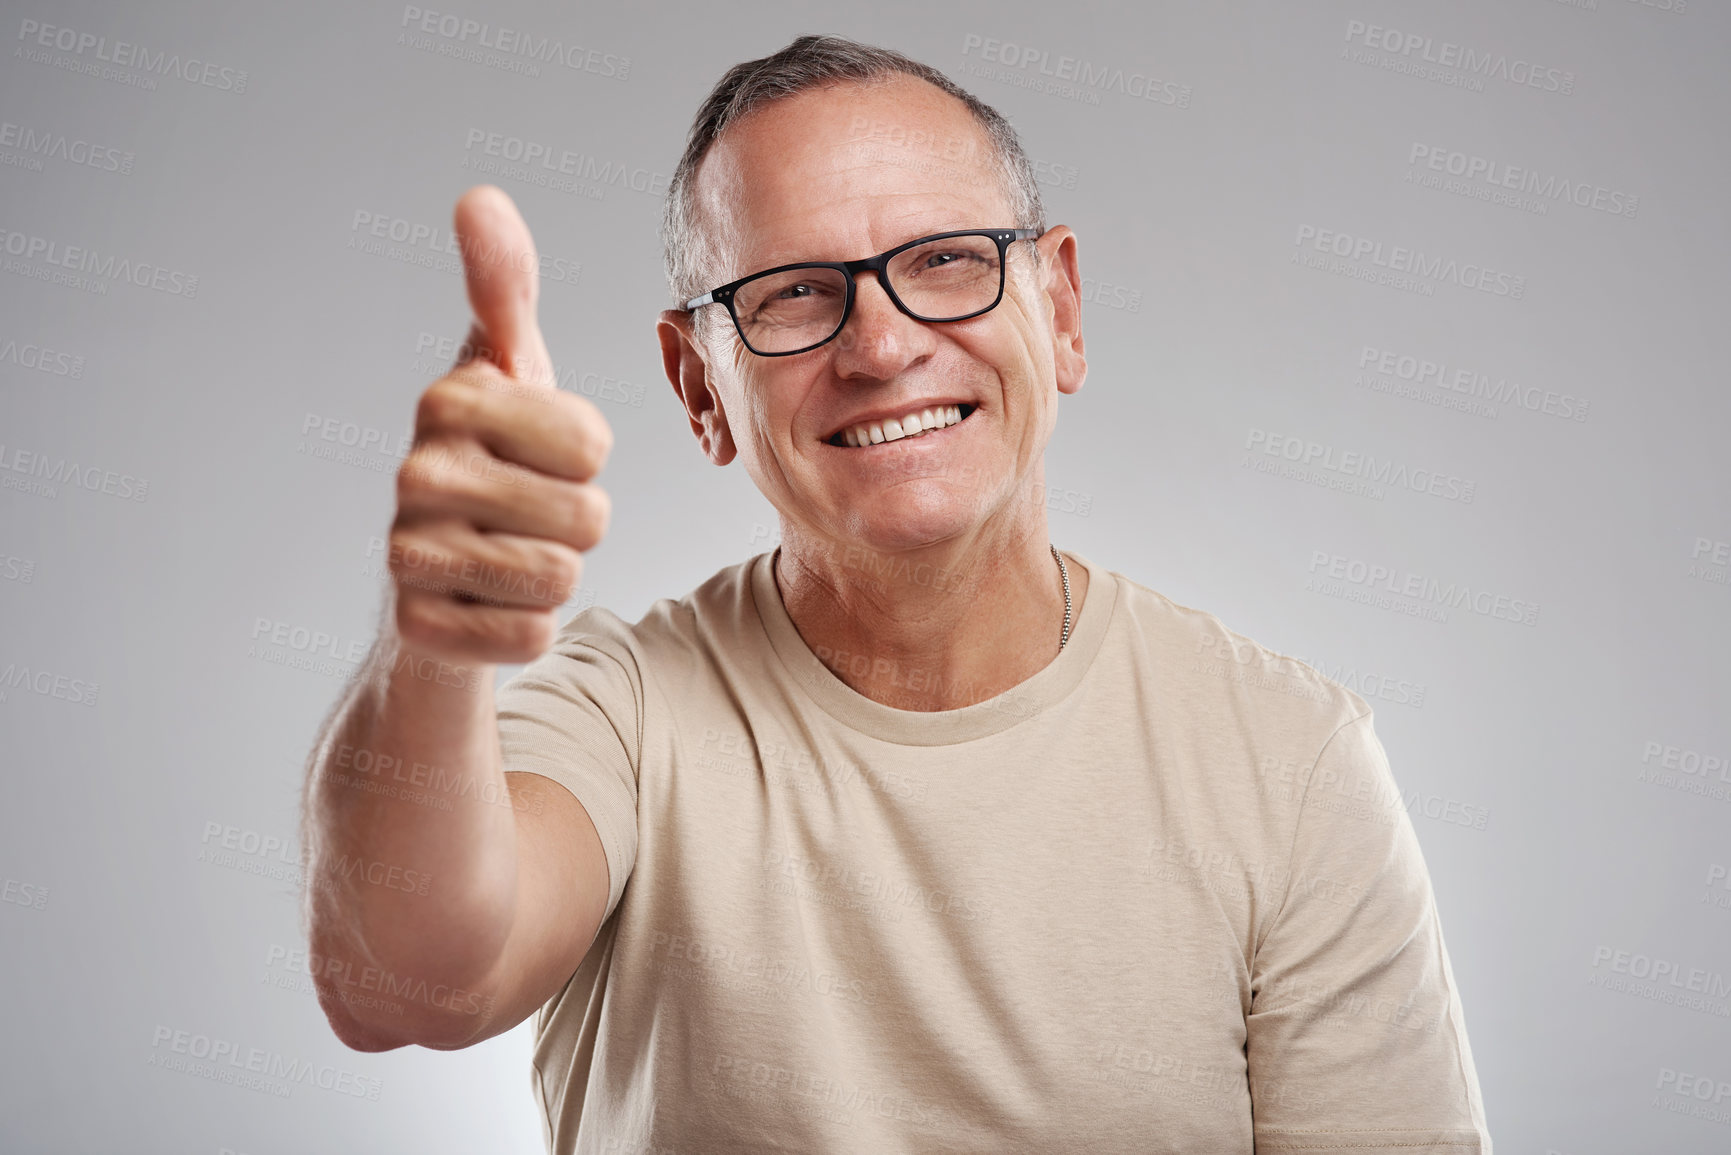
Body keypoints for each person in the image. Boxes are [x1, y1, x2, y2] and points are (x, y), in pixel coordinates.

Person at [301, 34, 1492, 1155]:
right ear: (697, 385)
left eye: (947, 262)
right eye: (794, 294)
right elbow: (402, 981)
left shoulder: (1290, 757)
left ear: (1061, 310)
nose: (881, 344)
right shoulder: (627, 711)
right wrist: (436, 639)